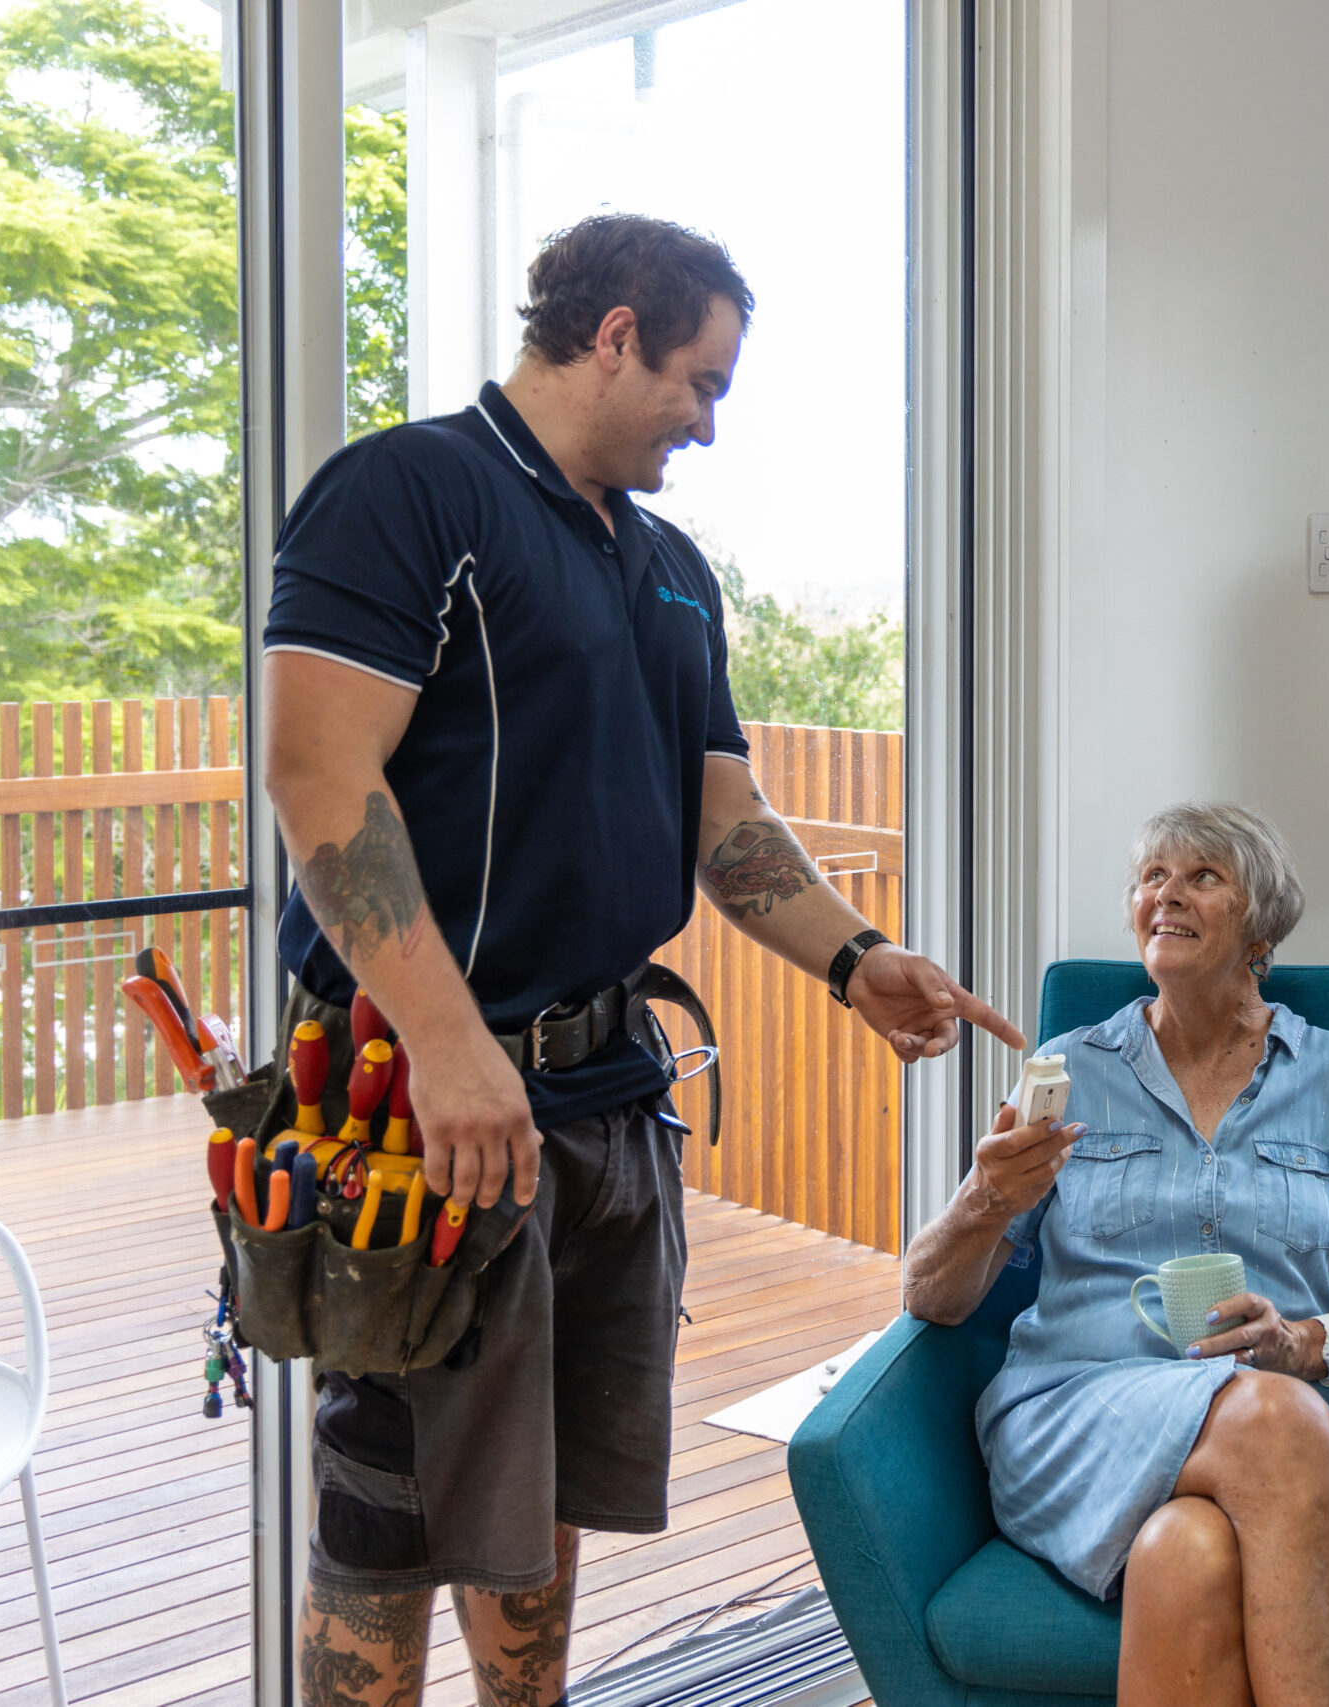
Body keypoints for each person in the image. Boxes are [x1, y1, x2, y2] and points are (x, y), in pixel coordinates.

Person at [261, 213, 1023, 1707]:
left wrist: (854, 956)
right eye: (699, 380)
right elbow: (316, 771)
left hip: (609, 1101)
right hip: (429, 1107)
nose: (709, 421)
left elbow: (722, 819)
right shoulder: (407, 492)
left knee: (534, 1493)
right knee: (391, 1506)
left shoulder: (672, 566)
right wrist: (441, 1037)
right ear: (613, 333)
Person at [901, 802, 1329, 1707]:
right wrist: (989, 1200)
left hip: (1319, 1447)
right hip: (1084, 1416)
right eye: (1153, 876)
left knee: (1186, 1551)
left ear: (1259, 925)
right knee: (1272, 1419)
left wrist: (1314, 1342)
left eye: (1201, 877)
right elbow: (928, 1294)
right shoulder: (1071, 1070)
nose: (1166, 895)